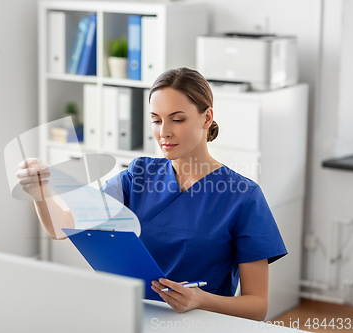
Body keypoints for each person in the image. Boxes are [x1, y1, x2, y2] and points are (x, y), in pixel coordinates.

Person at [16, 67, 287, 321]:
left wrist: (201, 300)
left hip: (200, 323)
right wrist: (41, 193)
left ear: (207, 118)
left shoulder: (243, 196)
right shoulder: (138, 176)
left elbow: (257, 307)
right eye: (156, 120)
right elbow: (63, 227)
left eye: (177, 119)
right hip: (134, 317)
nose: (164, 132)